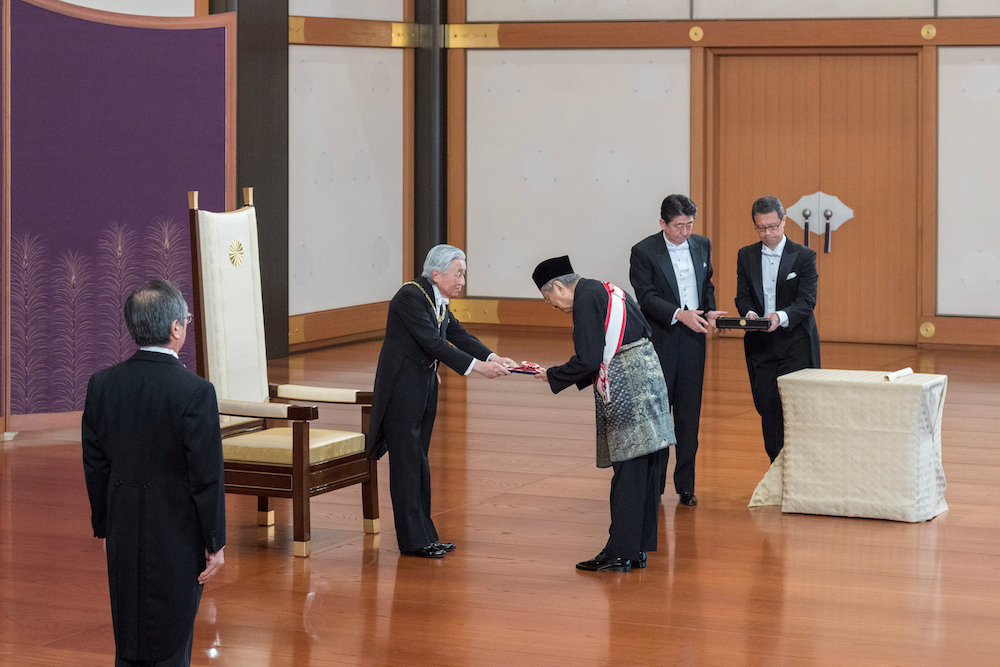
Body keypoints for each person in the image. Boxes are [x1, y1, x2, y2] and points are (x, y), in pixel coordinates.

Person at [82, 279, 225, 667]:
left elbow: (95, 463)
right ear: (176, 328)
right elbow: (206, 475)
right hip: (177, 533)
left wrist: (106, 520)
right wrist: (215, 541)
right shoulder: (195, 392)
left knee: (128, 637)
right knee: (172, 639)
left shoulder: (102, 385)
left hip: (124, 531)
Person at [368, 244, 516, 558]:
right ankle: (412, 542)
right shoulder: (410, 296)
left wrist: (492, 356)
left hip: (422, 385)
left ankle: (426, 535)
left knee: (419, 461)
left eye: (464, 273)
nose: (462, 279)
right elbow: (433, 342)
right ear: (437, 273)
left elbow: (458, 334)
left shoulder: (436, 298)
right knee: (407, 464)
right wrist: (478, 368)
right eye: (458, 273)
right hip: (402, 390)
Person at [531, 256, 675, 573]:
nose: (551, 305)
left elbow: (590, 358)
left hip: (629, 389)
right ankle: (635, 549)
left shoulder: (585, 299)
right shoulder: (606, 289)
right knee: (644, 470)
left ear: (558, 286)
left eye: (548, 298)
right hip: (649, 380)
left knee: (628, 472)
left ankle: (619, 552)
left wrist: (554, 375)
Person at [629, 194, 724, 507]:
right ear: (662, 224)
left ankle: (686, 485)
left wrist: (708, 311)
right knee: (658, 413)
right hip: (662, 339)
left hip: (694, 339)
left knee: (688, 415)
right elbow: (646, 295)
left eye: (689, 225)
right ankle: (654, 487)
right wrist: (678, 313)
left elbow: (705, 284)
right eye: (678, 226)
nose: (685, 232)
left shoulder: (702, 244)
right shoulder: (644, 251)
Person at [735, 196, 821, 462]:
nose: (768, 233)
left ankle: (801, 468)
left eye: (773, 226)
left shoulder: (804, 256)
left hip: (796, 343)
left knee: (796, 408)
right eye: (762, 228)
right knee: (768, 408)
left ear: (784, 221)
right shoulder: (746, 255)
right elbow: (743, 296)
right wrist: (749, 314)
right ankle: (776, 468)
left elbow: (807, 302)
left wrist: (780, 316)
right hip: (761, 346)